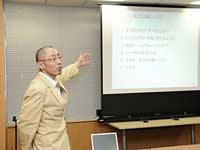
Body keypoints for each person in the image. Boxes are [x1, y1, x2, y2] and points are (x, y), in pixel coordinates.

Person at [17, 46, 90, 150]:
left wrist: (77, 64)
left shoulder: (53, 80)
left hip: (61, 144)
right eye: (53, 59)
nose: (59, 61)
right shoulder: (37, 88)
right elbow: (26, 125)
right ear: (41, 64)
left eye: (59, 57)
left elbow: (64, 74)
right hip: (46, 146)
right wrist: (27, 148)